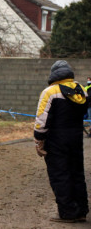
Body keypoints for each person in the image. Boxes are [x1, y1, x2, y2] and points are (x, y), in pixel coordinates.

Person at [34, 60, 89, 223]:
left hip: (56, 140)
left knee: (60, 174)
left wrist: (39, 139)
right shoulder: (81, 91)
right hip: (76, 138)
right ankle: (81, 210)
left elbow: (41, 120)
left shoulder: (50, 92)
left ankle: (67, 213)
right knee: (77, 173)